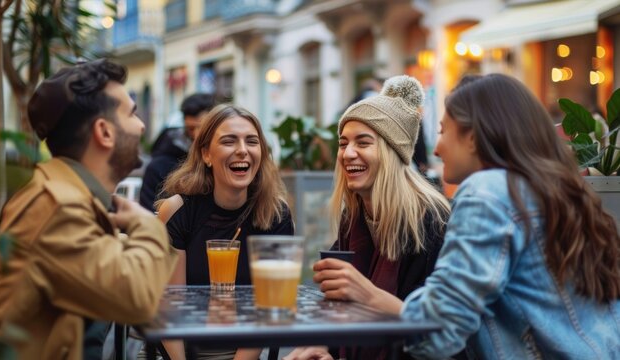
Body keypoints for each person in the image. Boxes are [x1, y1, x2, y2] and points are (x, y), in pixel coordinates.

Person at [296, 74, 620, 359]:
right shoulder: (542, 189)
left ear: (474, 136)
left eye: (443, 130)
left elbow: (439, 333)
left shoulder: (487, 192)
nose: (435, 149)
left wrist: (369, 297)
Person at [0, 59, 178, 359]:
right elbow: (138, 301)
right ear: (104, 132)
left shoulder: (63, 194)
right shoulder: (59, 206)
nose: (142, 125)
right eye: (132, 113)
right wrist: (146, 224)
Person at [287, 75, 450, 360]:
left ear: (391, 152)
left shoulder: (432, 223)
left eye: (363, 142)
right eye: (343, 143)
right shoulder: (355, 216)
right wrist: (322, 348)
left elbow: (436, 336)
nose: (348, 154)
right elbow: (338, 308)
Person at [157, 104, 294, 360]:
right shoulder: (178, 211)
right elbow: (169, 308)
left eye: (252, 142)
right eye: (229, 141)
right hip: (181, 350)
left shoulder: (276, 216)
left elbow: (270, 312)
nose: (242, 150)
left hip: (244, 350)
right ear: (206, 154)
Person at [139, 93, 215, 212]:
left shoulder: (223, 164)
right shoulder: (158, 167)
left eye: (202, 128)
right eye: (190, 128)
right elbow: (148, 214)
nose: (196, 135)